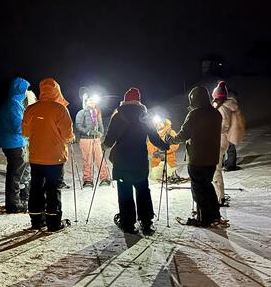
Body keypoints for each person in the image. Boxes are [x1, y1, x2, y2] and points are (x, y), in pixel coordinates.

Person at [103, 87, 169, 235]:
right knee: (143, 191)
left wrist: (104, 146)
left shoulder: (118, 116)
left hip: (121, 162)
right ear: (138, 101)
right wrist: (165, 145)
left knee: (125, 192)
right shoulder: (144, 116)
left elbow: (109, 140)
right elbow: (154, 138)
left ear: (125, 100)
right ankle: (146, 223)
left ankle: (128, 224)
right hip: (139, 161)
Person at [167, 86, 224, 227]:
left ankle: (204, 218)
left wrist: (171, 139)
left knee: (198, 189)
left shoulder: (195, 114)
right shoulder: (216, 113)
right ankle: (214, 215)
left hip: (198, 158)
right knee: (207, 186)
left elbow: (184, 133)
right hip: (211, 158)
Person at [22, 78, 74, 231]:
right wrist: (70, 138)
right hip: (55, 158)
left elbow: (25, 132)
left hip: (36, 157)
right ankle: (53, 222)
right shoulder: (60, 109)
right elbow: (67, 135)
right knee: (53, 189)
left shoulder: (31, 109)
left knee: (36, 188)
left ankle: (36, 220)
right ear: (57, 91)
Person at [0, 77, 32, 213]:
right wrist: (30, 128)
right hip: (15, 144)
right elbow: (18, 127)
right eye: (25, 90)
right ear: (20, 90)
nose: (26, 93)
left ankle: (19, 200)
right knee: (15, 175)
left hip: (13, 142)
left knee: (17, 174)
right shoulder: (13, 104)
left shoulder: (12, 102)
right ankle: (13, 204)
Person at [211, 80, 241, 206]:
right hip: (222, 139)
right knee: (216, 167)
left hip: (219, 138)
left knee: (216, 168)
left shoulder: (221, 108)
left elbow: (221, 125)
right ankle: (219, 195)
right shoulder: (228, 105)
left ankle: (219, 197)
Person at [75, 93, 111, 188]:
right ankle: (88, 180)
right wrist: (89, 132)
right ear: (85, 102)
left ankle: (105, 178)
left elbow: (100, 124)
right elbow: (78, 125)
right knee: (87, 159)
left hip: (96, 139)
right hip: (85, 139)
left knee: (100, 159)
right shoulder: (81, 112)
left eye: (93, 100)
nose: (92, 102)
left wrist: (101, 132)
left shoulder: (97, 112)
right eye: (89, 100)